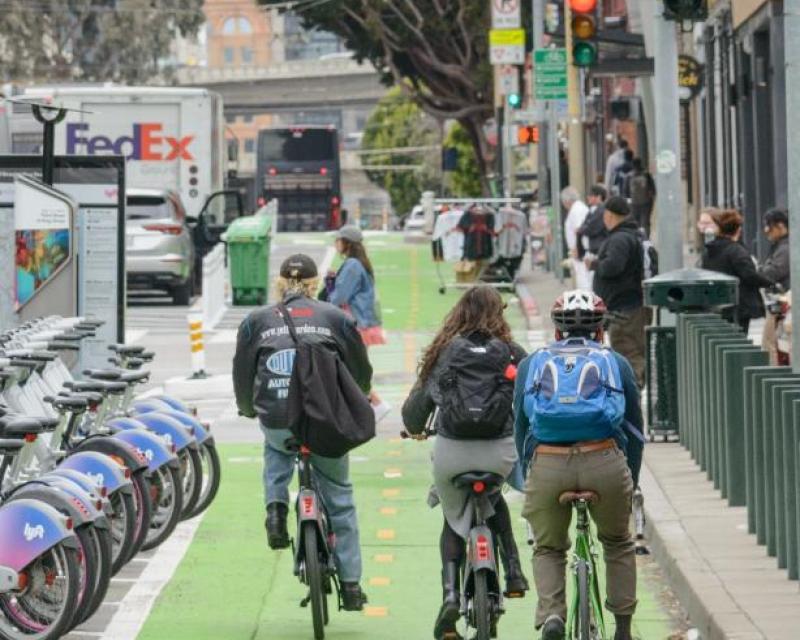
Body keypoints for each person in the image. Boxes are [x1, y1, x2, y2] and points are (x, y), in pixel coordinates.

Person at [232, 254, 372, 611]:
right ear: (314, 285)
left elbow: (242, 375)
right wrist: (354, 398)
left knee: (276, 446)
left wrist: (250, 409)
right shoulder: (336, 319)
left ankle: (276, 508)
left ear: (280, 283)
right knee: (340, 499)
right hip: (325, 421)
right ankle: (352, 585)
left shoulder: (256, 322)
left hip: (277, 420)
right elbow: (360, 370)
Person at [401, 287, 530, 640]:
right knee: (495, 498)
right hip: (499, 452)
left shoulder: (446, 352)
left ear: (459, 313)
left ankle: (450, 595)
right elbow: (532, 401)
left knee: (451, 514)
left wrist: (416, 429)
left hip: (453, 453)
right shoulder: (513, 354)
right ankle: (515, 571)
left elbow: (414, 414)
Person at [513, 290, 642, 640]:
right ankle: (624, 628)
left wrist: (530, 474)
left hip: (549, 464)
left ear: (557, 330)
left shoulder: (533, 363)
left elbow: (521, 428)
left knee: (549, 547)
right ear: (601, 329)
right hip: (604, 460)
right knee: (617, 542)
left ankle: (553, 616)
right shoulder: (615, 361)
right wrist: (633, 479)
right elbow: (634, 431)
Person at [325, 225, 391, 420]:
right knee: (351, 367)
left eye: (338, 240)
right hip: (360, 323)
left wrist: (328, 295)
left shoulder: (352, 265)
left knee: (347, 368)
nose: (335, 243)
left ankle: (376, 404)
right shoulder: (357, 263)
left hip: (354, 325)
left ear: (346, 243)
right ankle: (367, 406)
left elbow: (339, 296)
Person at [586, 196, 649, 387]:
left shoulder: (619, 239)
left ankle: (632, 398)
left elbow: (613, 266)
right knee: (632, 350)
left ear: (609, 215)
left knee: (628, 352)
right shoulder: (631, 235)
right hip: (630, 306)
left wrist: (594, 263)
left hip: (624, 310)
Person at [701, 209, 774, 334]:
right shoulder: (736, 251)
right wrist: (770, 283)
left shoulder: (709, 251)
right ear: (738, 229)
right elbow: (749, 275)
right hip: (739, 305)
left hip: (717, 303)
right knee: (738, 338)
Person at [759, 208, 790, 364]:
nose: (766, 230)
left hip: (783, 303)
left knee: (771, 344)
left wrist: (760, 270)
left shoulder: (786, 248)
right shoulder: (781, 246)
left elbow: (771, 273)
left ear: (780, 226)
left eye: (768, 226)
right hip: (781, 302)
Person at [561, 186, 591, 289]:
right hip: (580, 249)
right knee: (582, 278)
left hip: (580, 250)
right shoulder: (578, 208)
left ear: (567, 201)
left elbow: (578, 230)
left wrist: (577, 248)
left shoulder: (577, 210)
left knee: (583, 279)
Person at [576, 184, 609, 260]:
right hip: (590, 250)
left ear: (599, 197)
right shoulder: (592, 210)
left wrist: (581, 229)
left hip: (598, 249)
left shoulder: (602, 211)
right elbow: (584, 225)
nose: (588, 198)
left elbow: (590, 228)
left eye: (591, 195)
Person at [626, 158, 656, 238]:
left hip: (633, 203)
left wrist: (629, 202)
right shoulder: (646, 174)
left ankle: (636, 238)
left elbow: (625, 191)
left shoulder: (629, 176)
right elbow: (653, 189)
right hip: (646, 202)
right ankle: (646, 238)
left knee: (635, 222)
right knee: (645, 222)